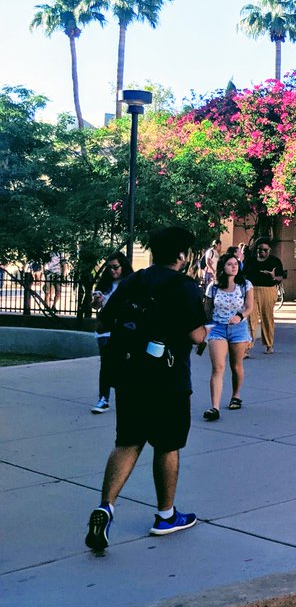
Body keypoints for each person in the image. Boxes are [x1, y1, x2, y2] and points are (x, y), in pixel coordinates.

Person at [84, 225, 207, 551]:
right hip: (169, 379)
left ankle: (105, 507)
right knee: (167, 446)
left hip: (130, 376)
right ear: (182, 255)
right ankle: (166, 516)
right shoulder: (184, 286)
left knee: (127, 442)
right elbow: (197, 336)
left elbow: (104, 320)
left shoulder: (133, 280)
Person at [201, 254, 253, 422]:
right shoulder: (213, 287)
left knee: (236, 365)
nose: (234, 266)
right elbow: (207, 311)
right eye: (230, 264)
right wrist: (203, 332)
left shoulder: (245, 285)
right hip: (217, 328)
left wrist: (240, 316)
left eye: (236, 264)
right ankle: (214, 407)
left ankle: (235, 396)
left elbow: (249, 307)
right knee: (218, 367)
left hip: (238, 328)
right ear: (222, 267)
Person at [90, 252, 133, 413]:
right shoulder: (104, 285)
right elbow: (95, 306)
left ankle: (126, 396)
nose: (112, 271)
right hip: (106, 330)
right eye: (109, 268)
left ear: (123, 266)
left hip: (124, 329)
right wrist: (97, 301)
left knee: (125, 363)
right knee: (106, 363)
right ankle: (104, 398)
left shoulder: (131, 283)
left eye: (115, 267)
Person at [242, 238, 285, 354]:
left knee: (267, 318)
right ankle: (247, 348)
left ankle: (269, 344)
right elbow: (243, 275)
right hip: (252, 290)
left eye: (265, 250)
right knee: (251, 319)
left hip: (268, 290)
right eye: (259, 249)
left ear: (269, 250)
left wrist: (273, 277)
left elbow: (280, 277)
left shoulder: (274, 261)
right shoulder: (250, 260)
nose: (262, 252)